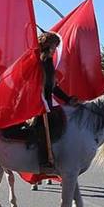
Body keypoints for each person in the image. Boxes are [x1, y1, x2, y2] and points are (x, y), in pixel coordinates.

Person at [36, 31, 77, 170]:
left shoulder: (48, 63)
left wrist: (68, 99)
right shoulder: (36, 61)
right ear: (47, 46)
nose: (55, 50)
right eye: (54, 46)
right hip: (35, 102)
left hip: (46, 102)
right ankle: (43, 159)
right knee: (42, 123)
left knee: (61, 117)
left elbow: (53, 87)